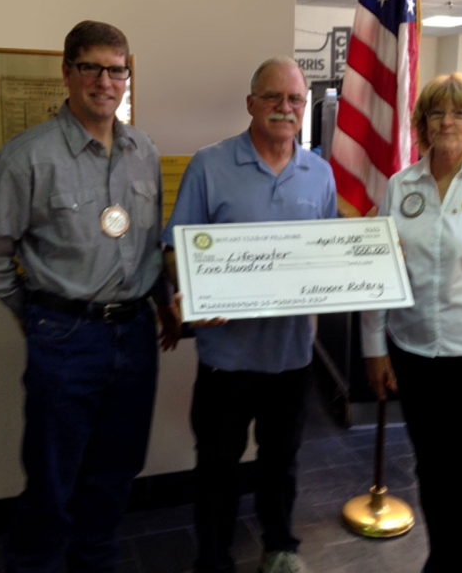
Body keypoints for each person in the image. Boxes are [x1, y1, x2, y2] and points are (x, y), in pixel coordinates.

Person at [0, 20, 181, 573]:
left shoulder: (144, 151)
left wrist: (163, 302)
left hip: (134, 335)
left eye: (117, 70)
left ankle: (96, 562)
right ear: (67, 72)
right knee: (52, 476)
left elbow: (146, 243)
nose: (105, 81)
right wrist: (33, 315)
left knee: (116, 470)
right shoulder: (28, 158)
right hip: (65, 338)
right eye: (91, 67)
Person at [162, 56, 337, 573]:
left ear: (305, 108)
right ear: (251, 104)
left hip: (291, 357)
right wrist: (190, 291)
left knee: (281, 462)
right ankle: (213, 558)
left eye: (295, 100)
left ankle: (281, 547)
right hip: (226, 359)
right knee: (216, 466)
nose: (285, 108)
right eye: (274, 98)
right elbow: (175, 249)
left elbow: (327, 256)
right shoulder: (209, 165)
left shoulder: (319, 174)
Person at [361, 73, 462, 573]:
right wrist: (375, 348)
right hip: (412, 356)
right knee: (430, 473)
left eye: (459, 113)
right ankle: (442, 561)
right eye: (437, 113)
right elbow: (381, 271)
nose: (448, 122)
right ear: (423, 123)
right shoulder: (400, 185)